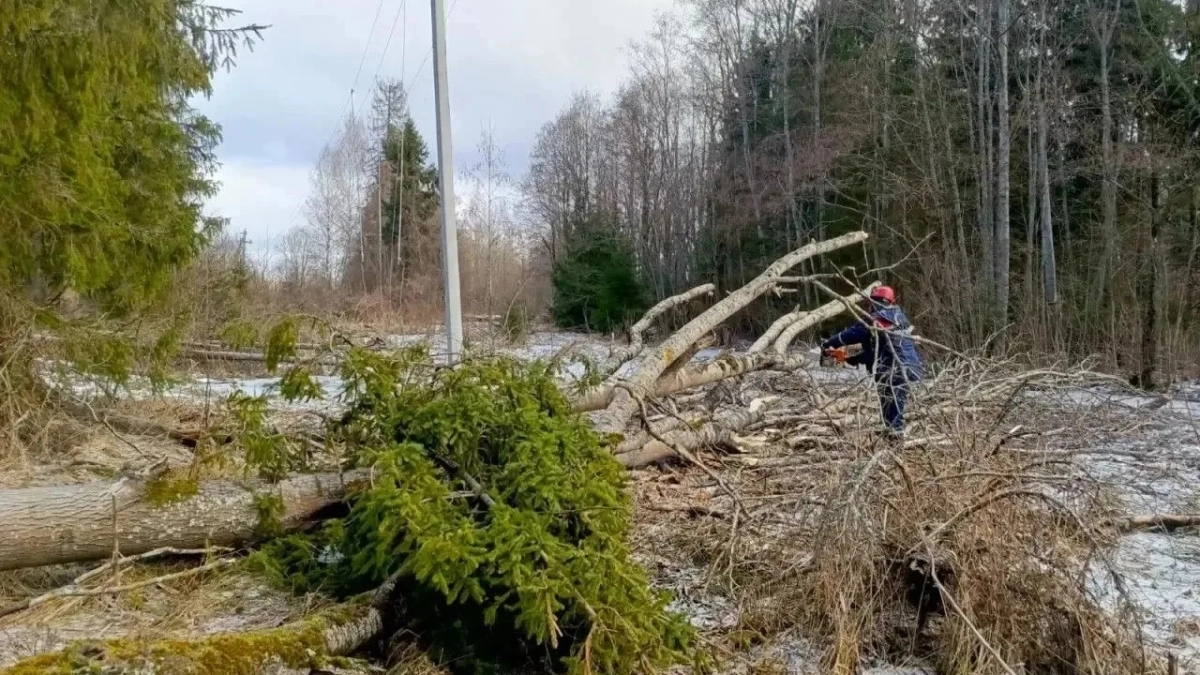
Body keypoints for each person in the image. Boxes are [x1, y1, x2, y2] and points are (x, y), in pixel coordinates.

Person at [821, 285, 923, 440]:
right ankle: (892, 439)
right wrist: (846, 357)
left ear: (875, 302)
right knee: (893, 407)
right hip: (909, 367)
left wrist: (831, 343)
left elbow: (852, 334)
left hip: (893, 369)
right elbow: (872, 352)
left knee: (892, 409)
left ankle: (895, 444)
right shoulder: (899, 317)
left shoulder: (878, 319)